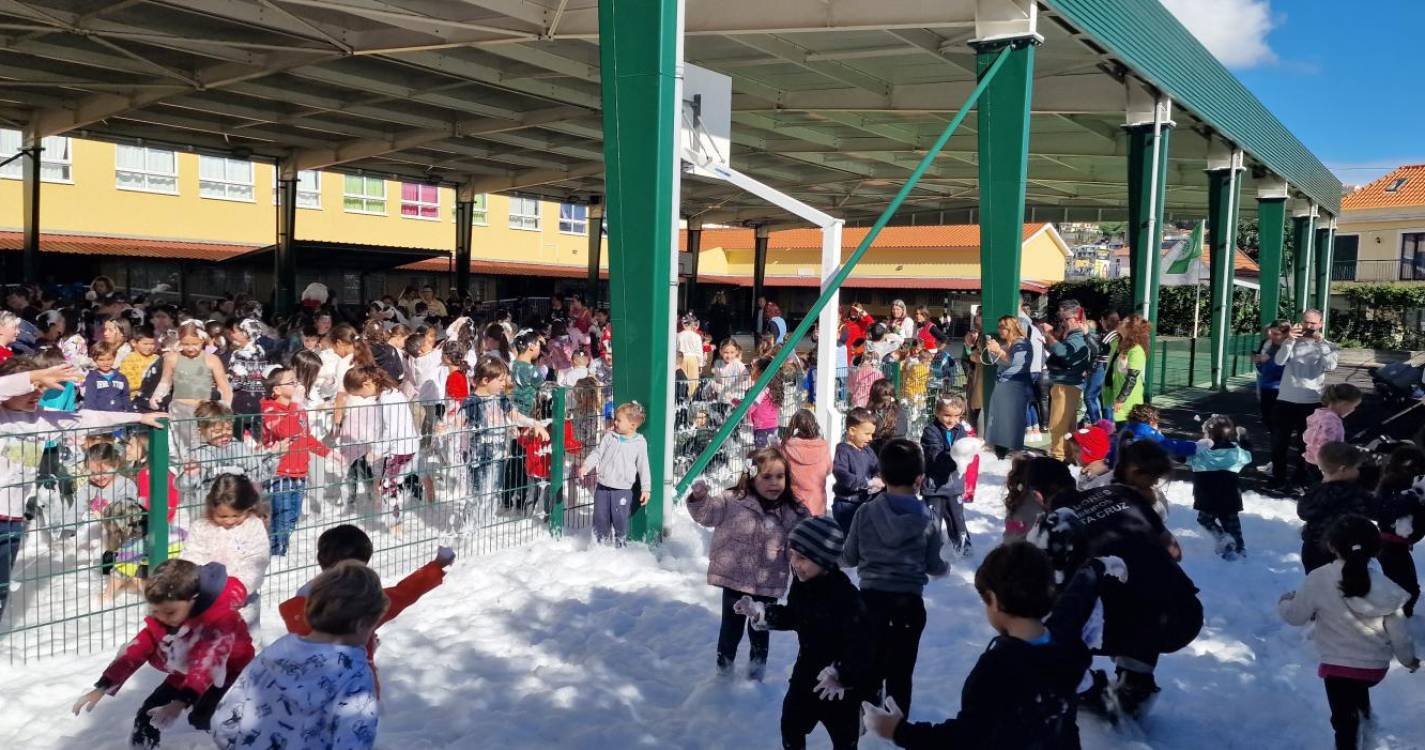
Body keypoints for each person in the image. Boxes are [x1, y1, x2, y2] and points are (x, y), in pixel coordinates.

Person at [862, 543, 1095, 749]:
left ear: (993, 599)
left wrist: (898, 731)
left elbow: (965, 739)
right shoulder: (1065, 645)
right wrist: (1094, 570)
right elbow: (1074, 605)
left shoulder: (998, 667)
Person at [1046, 441, 1203, 719]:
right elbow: (1174, 552)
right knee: (1144, 599)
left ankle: (1087, 685)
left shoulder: (1057, 525)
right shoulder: (1121, 494)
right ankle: (1135, 682)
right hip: (1183, 609)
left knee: (1095, 609)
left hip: (1122, 617)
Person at [0, 356, 157, 619]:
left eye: (40, 389)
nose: (37, 394)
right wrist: (35, 376)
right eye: (30, 388)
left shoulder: (41, 420)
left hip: (12, 521)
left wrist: (140, 415)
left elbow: (89, 416)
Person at [71, 559, 254, 748]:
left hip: (229, 676)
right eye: (155, 611)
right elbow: (137, 651)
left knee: (207, 718)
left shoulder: (220, 620)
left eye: (169, 612)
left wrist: (180, 701)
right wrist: (104, 685)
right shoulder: (166, 619)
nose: (161, 618)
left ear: (194, 599)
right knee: (148, 714)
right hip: (185, 674)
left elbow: (207, 662)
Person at [1280, 515, 1419, 750]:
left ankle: (1352, 740)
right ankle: (1366, 723)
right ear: (1375, 549)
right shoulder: (1386, 587)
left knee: (1343, 722)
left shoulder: (1319, 578)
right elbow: (1399, 634)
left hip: (1338, 667)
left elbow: (1295, 616)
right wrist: (1408, 660)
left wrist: (1285, 602)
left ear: (1332, 546)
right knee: (1356, 691)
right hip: (1374, 669)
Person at [214, 561, 386, 750]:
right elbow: (354, 740)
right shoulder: (354, 673)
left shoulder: (280, 649)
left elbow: (224, 722)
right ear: (361, 624)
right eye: (372, 626)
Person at [734, 516, 870, 750]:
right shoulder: (802, 584)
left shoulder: (847, 598)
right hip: (805, 676)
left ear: (825, 561)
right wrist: (761, 614)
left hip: (838, 688)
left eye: (803, 558)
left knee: (844, 740)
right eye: (792, 554)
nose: (795, 563)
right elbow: (797, 617)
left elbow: (863, 646)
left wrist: (842, 674)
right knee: (791, 725)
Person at [278, 525, 454, 694]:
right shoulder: (362, 599)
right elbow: (404, 593)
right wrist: (437, 565)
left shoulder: (304, 598)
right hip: (356, 689)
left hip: (308, 693)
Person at [841, 438, 948, 715]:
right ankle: (894, 731)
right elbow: (933, 564)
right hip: (908, 607)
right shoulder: (928, 518)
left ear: (883, 476)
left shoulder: (865, 511)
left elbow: (850, 557)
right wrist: (944, 568)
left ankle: (867, 726)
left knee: (870, 667)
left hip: (870, 604)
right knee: (901, 672)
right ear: (920, 479)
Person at [686, 448, 809, 680]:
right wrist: (700, 499)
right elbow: (707, 515)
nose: (774, 482)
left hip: (768, 581)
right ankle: (723, 672)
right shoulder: (732, 500)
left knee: (760, 629)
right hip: (735, 578)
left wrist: (801, 553)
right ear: (752, 477)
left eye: (780, 477)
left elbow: (800, 540)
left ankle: (756, 675)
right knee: (731, 628)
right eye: (766, 477)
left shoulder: (794, 511)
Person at [179, 472, 270, 629]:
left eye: (236, 515)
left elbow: (256, 561)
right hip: (205, 601)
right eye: (222, 516)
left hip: (242, 603)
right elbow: (192, 556)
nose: (229, 521)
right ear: (212, 508)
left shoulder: (253, 526)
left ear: (248, 508)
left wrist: (236, 590)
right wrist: (197, 585)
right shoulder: (201, 527)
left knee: (244, 645)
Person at [261, 366, 333, 556]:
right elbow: (286, 431)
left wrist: (327, 453)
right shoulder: (269, 408)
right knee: (282, 516)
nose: (297, 385)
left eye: (296, 381)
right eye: (291, 382)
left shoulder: (298, 410)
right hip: (280, 472)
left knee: (292, 515)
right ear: (276, 389)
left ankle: (281, 548)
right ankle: (277, 552)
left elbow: (305, 437)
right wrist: (295, 404)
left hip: (300, 470)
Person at [1270, 309, 1340, 493]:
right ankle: (1278, 477)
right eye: (1306, 322)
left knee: (1307, 445)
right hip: (1285, 399)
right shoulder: (1292, 341)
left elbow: (1331, 365)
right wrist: (1290, 339)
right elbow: (1279, 361)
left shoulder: (1329, 345)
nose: (1309, 327)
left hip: (1311, 401)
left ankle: (1300, 478)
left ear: (1320, 324)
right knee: (1279, 443)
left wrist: (1321, 343)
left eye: (1313, 323)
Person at [577, 401, 652, 546]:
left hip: (622, 490)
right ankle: (600, 548)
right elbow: (597, 453)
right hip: (603, 487)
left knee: (620, 519)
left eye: (619, 420)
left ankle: (620, 547)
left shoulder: (639, 442)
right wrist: (586, 466)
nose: (615, 422)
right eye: (615, 419)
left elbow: (644, 466)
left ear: (632, 425)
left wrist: (646, 488)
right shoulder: (609, 437)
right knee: (600, 518)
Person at [1298, 442, 1376, 574]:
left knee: (1317, 583)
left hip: (1313, 548)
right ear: (1343, 469)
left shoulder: (1316, 491)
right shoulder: (1355, 493)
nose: (1359, 471)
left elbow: (1303, 511)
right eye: (1356, 468)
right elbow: (1374, 509)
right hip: (1344, 550)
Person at [920, 394, 979, 555]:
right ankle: (930, 551)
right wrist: (958, 457)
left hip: (954, 484)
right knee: (933, 520)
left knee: (957, 519)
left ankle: (963, 547)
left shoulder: (960, 430)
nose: (951, 420)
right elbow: (935, 455)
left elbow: (965, 451)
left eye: (956, 416)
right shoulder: (930, 431)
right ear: (937, 413)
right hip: (934, 486)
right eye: (946, 415)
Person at [1187, 415, 1253, 559]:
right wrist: (1244, 439)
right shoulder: (1237, 454)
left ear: (1208, 434)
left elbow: (1183, 456)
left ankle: (1222, 537)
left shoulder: (1201, 454)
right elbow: (1249, 455)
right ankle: (1240, 550)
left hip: (1206, 498)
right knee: (1233, 525)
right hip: (1230, 498)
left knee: (1205, 519)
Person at [1040, 299, 1091, 461]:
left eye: (1065, 319)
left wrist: (1049, 336)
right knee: (1067, 424)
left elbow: (1064, 354)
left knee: (1058, 424)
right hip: (1069, 384)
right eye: (1062, 319)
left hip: (1066, 385)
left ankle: (1059, 457)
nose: (1063, 323)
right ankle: (1066, 456)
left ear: (1077, 318)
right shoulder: (1075, 335)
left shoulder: (1076, 337)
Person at [982, 316, 1032, 457]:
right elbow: (997, 362)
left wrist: (998, 351)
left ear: (1011, 327)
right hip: (1003, 386)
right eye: (999, 327)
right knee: (999, 419)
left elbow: (1017, 364)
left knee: (1012, 421)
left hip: (1015, 387)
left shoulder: (1022, 343)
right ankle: (1000, 450)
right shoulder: (1008, 344)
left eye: (1002, 327)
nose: (1000, 330)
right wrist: (992, 350)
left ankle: (1014, 453)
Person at [831, 408, 883, 534]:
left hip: (865, 503)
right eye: (867, 434)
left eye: (872, 434)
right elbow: (841, 474)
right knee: (848, 538)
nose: (870, 438)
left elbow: (878, 467)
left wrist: (879, 478)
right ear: (852, 431)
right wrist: (867, 483)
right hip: (846, 504)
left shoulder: (868, 451)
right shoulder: (843, 451)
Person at [1305, 383, 1363, 476]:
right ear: (1343, 404)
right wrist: (1328, 471)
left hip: (1314, 461)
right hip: (1323, 465)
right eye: (1353, 406)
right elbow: (1325, 446)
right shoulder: (1330, 421)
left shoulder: (1321, 414)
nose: (1353, 410)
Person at [782, 409, 832, 517]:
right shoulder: (823, 446)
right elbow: (829, 470)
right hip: (818, 503)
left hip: (795, 502)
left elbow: (781, 470)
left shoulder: (787, 447)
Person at [1108, 313, 1151, 423]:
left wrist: (1121, 399)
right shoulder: (1124, 347)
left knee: (1126, 432)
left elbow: (1132, 378)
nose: (1119, 322)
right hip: (1118, 397)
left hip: (1128, 401)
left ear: (1130, 328)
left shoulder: (1136, 350)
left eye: (1123, 321)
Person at [1254, 319, 1291, 433]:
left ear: (1285, 335)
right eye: (1270, 332)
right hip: (1267, 386)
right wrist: (1259, 362)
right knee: (1268, 418)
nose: (1271, 336)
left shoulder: (1290, 346)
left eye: (1276, 334)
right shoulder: (1269, 345)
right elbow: (1262, 366)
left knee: (1281, 422)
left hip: (1283, 389)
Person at [1083, 310, 1119, 426]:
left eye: (1102, 320)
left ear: (1106, 320)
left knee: (1089, 396)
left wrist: (1087, 334)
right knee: (1105, 399)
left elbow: (1099, 349)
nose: (1100, 322)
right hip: (1109, 368)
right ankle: (1108, 428)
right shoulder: (1117, 333)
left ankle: (1099, 426)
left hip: (1103, 367)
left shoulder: (1111, 334)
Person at [82, 341, 131, 412]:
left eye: (109, 359)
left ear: (114, 357)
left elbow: (125, 396)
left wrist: (129, 412)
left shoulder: (121, 377)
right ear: (94, 360)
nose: (106, 363)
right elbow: (90, 399)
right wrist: (92, 416)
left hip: (119, 415)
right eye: (101, 360)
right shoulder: (92, 377)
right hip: (100, 416)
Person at [677, 314, 705, 379]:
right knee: (692, 381)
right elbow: (699, 351)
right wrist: (700, 364)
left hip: (681, 359)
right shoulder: (696, 336)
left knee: (682, 381)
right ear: (692, 324)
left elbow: (676, 349)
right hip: (693, 359)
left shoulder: (678, 335)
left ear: (683, 323)